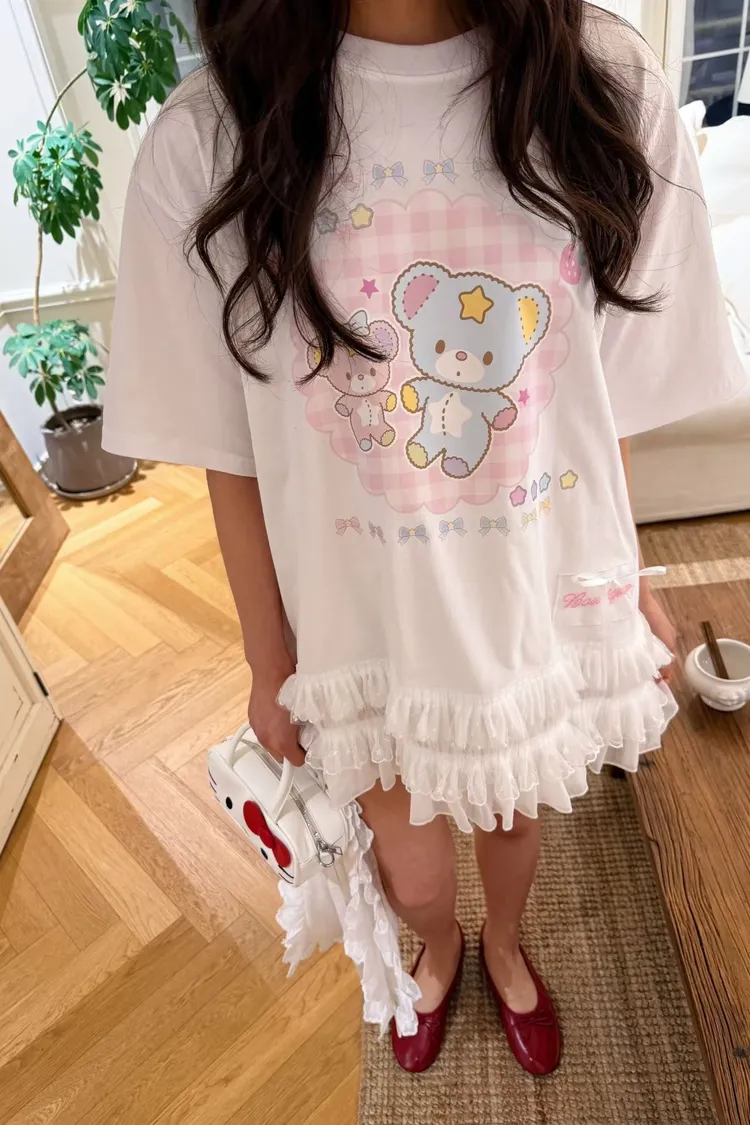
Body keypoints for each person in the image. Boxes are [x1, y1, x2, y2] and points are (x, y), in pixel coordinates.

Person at [103, 0, 746, 1078]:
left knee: (516, 824)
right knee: (412, 872)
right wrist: (266, 658)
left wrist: (623, 576)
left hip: (523, 603)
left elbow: (599, 405)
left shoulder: (605, 88)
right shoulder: (212, 139)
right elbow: (229, 450)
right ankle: (439, 947)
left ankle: (506, 947)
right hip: (359, 624)